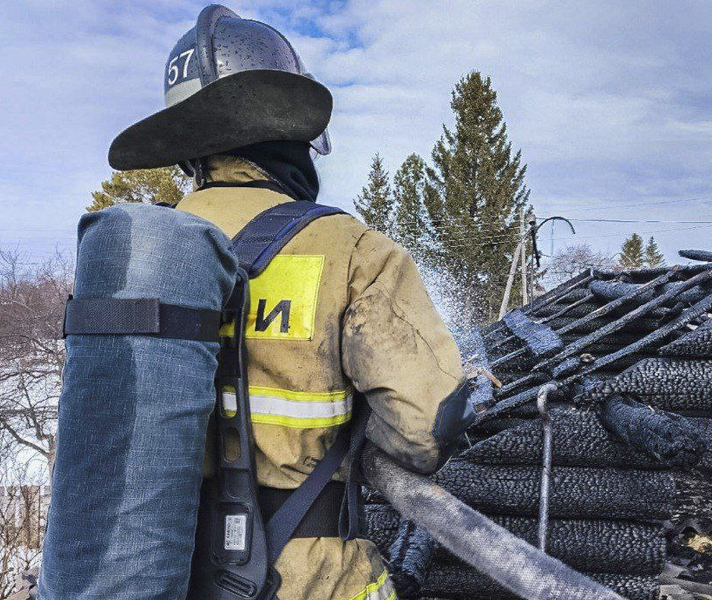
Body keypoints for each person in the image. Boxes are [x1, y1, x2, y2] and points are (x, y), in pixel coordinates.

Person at [107, 5, 474, 599]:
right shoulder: (352, 251)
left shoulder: (136, 262)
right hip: (307, 579)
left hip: (157, 571)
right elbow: (423, 433)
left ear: (191, 151)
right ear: (292, 135)